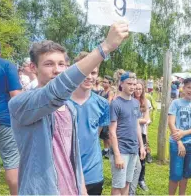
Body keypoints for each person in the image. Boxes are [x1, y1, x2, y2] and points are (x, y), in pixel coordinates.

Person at [8, 22, 129, 195]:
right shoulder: (21, 104)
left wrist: (81, 189)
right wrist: (105, 47)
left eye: (61, 64)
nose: (57, 70)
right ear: (34, 68)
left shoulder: (69, 108)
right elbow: (55, 91)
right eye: (49, 64)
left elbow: (71, 154)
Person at [69, 52, 110, 195]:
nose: (89, 76)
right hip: (65, 170)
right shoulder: (60, 103)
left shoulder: (103, 104)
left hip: (92, 173)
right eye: (84, 71)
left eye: (93, 72)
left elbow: (95, 134)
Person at [109, 72, 146, 196]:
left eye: (134, 84)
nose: (132, 87)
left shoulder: (135, 103)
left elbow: (136, 125)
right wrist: (117, 154)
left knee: (127, 182)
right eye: (129, 83)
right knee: (117, 185)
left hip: (133, 149)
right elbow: (112, 131)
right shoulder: (116, 103)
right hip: (121, 149)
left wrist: (141, 146)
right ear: (121, 84)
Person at [168, 78, 191, 195]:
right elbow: (171, 123)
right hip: (177, 143)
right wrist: (179, 142)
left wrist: (184, 133)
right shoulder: (176, 103)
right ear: (183, 88)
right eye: (188, 87)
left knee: (186, 174)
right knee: (175, 174)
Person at [0, 39, 21, 195]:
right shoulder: (7, 65)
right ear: (0, 51)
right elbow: (16, 97)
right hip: (5, 119)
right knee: (12, 162)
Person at [130, 80, 151, 194]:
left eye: (140, 89)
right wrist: (140, 120)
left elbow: (147, 119)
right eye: (136, 88)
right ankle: (131, 178)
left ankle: (141, 179)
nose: (138, 91)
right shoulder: (129, 100)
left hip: (141, 133)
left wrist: (136, 120)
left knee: (142, 156)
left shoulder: (145, 102)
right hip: (130, 133)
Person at [99, 75, 115, 158]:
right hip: (101, 114)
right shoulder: (101, 92)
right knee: (103, 134)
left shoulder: (110, 92)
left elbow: (108, 102)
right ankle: (105, 149)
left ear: (110, 84)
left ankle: (111, 150)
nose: (103, 83)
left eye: (105, 82)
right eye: (103, 82)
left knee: (107, 134)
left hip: (107, 115)